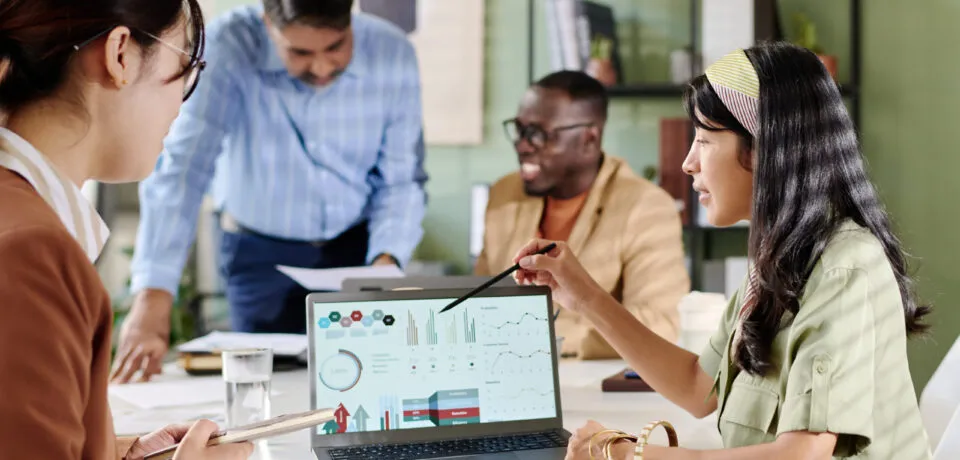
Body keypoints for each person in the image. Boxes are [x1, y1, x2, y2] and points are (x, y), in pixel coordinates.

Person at [515, 43, 933, 459]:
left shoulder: (843, 266)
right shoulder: (780, 260)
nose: (687, 163)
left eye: (704, 139)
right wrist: (583, 296)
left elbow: (800, 455)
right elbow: (698, 386)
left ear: (765, 148)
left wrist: (626, 454)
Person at [114, 0, 428, 383]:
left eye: (335, 47)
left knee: (361, 382)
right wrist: (154, 294)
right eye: (300, 52)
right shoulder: (228, 46)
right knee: (262, 388)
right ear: (267, 23)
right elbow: (184, 169)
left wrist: (385, 264)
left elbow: (401, 180)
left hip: (357, 254)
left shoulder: (393, 53)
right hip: (258, 257)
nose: (322, 68)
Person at [0, 0, 251, 458]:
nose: (180, 104)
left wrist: (120, 452)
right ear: (121, 55)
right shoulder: (29, 249)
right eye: (186, 65)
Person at [476, 71, 689, 359]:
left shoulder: (647, 206)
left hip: (595, 389)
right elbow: (479, 304)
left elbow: (658, 324)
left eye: (539, 134)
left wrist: (537, 333)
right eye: (520, 129)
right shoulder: (504, 194)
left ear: (589, 138)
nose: (522, 145)